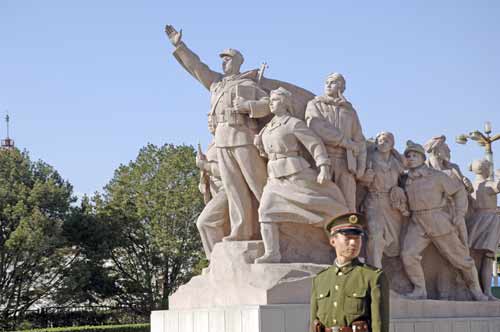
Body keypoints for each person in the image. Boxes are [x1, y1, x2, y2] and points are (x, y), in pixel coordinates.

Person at [165, 25, 269, 241]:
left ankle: (275, 223)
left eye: (228, 59)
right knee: (234, 188)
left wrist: (248, 105)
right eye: (222, 59)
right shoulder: (216, 83)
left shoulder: (248, 83)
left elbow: (268, 105)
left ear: (238, 62)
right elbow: (196, 67)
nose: (224, 62)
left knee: (258, 184)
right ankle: (242, 229)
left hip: (243, 136)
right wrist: (180, 46)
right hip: (222, 139)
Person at [253, 87, 348, 263]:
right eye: (270, 100)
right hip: (274, 177)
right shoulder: (267, 128)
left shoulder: (293, 123)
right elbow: (267, 154)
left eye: (274, 100)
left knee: (319, 204)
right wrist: (259, 145)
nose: (270, 103)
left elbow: (315, 144)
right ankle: (272, 253)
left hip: (295, 172)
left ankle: (343, 250)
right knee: (265, 211)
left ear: (285, 102)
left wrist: (323, 165)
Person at [400, 141, 487, 301]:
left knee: (460, 258)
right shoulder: (405, 179)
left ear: (422, 157)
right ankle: (420, 289)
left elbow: (458, 191)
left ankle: (476, 291)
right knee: (408, 254)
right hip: (417, 222)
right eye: (408, 156)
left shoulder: (437, 176)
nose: (411, 158)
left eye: (414, 155)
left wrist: (459, 213)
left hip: (438, 219)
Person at [310, 213, 389, 332]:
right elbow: (314, 324)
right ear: (333, 241)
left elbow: (379, 324)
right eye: (347, 238)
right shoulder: (320, 279)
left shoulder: (372, 277)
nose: (353, 243)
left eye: (357, 238)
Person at [305, 73, 366, 212]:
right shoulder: (315, 104)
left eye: (332, 82)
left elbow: (359, 140)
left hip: (346, 163)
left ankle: (349, 233)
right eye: (326, 82)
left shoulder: (349, 111)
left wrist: (361, 167)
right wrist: (344, 141)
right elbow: (317, 127)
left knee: (349, 205)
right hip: (323, 159)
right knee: (322, 202)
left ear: (341, 87)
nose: (328, 85)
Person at [358, 132, 408, 269]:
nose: (382, 143)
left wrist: (395, 151)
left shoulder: (395, 161)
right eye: (379, 141)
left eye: (386, 141)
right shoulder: (370, 158)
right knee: (376, 235)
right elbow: (359, 176)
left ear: (392, 145)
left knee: (394, 242)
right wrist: (365, 178)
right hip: (374, 199)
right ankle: (375, 269)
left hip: (392, 203)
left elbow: (406, 165)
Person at [195, 118, 229, 260]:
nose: (209, 122)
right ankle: (218, 262)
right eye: (207, 119)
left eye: (213, 118)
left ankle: (217, 261)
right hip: (215, 192)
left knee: (204, 222)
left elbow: (229, 171)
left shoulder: (226, 141)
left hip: (227, 189)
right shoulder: (212, 143)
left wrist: (205, 166)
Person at [466, 159, 500, 301]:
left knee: (473, 258)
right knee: (487, 259)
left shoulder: (470, 186)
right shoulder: (489, 184)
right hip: (489, 220)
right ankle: (486, 292)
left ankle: (476, 290)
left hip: (474, 221)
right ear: (486, 169)